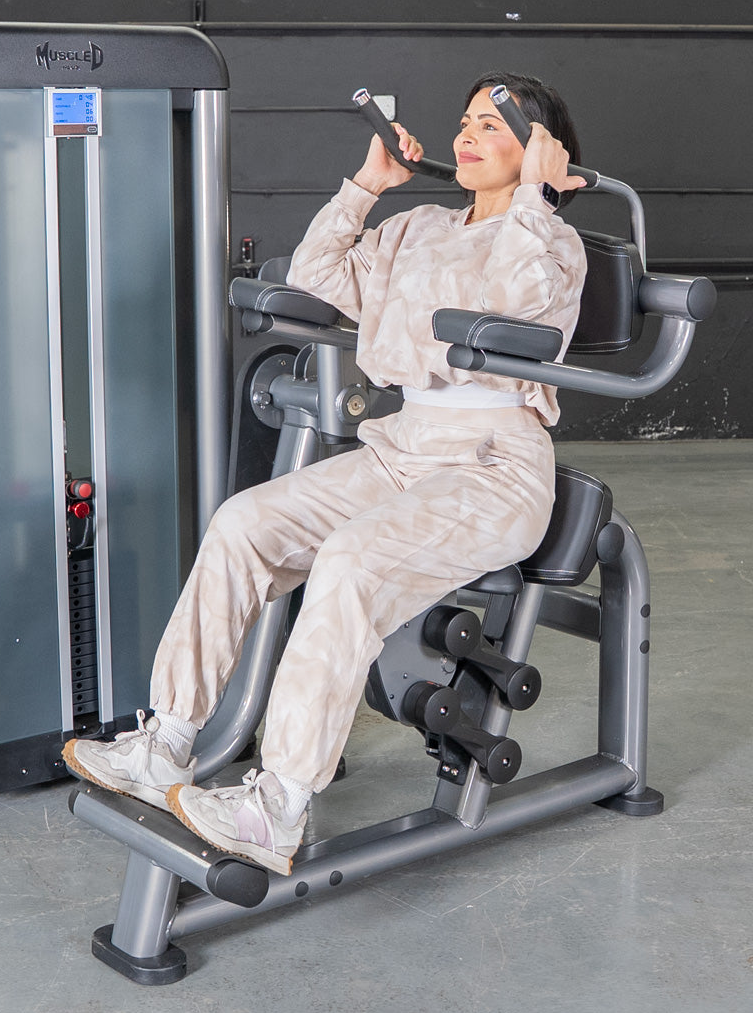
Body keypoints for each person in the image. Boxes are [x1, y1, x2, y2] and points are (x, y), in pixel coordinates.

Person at [65, 71, 588, 876]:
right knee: (245, 523)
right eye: (465, 118)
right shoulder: (416, 224)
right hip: (401, 445)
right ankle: (167, 740)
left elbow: (516, 304)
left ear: (541, 148)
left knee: (347, 561)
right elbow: (318, 273)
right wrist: (366, 186)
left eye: (495, 123)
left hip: (493, 468)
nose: (469, 133)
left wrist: (537, 195)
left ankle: (276, 807)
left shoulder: (551, 241)